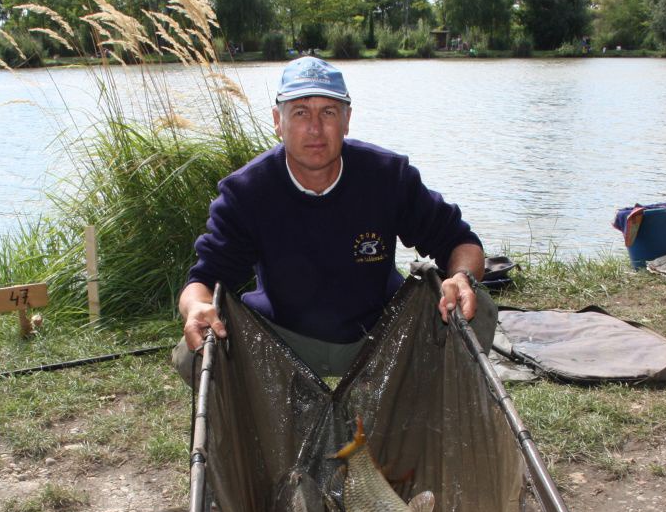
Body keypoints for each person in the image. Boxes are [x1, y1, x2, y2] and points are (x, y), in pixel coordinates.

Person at [175, 56, 489, 381]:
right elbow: (202, 280)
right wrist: (195, 307)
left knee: (477, 310)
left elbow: (461, 242)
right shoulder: (245, 191)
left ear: (347, 119)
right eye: (300, 113)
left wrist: (462, 277)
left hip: (380, 334)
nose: (315, 128)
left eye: (328, 112)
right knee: (193, 353)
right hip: (281, 338)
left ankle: (418, 415)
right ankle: (267, 422)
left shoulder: (388, 176)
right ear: (277, 121)